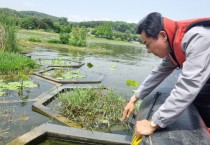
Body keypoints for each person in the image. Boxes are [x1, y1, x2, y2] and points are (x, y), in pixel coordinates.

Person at [121, 12, 210, 137]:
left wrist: (154, 123)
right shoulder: (172, 48)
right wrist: (134, 98)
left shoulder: (198, 38)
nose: (148, 51)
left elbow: (188, 86)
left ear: (162, 35)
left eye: (148, 45)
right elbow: (158, 73)